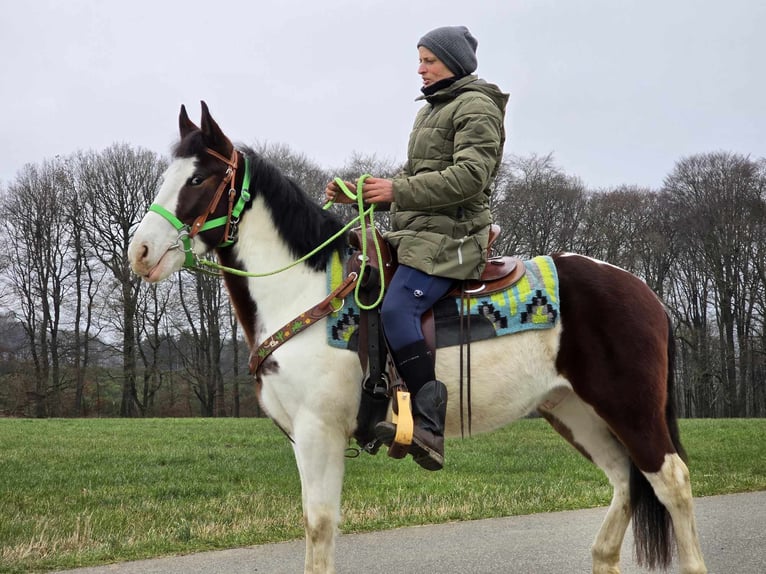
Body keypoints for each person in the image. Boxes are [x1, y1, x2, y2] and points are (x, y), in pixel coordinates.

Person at [326, 25, 508, 470]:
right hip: (419, 233)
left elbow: (471, 178)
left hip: (454, 237)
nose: (420, 69)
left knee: (396, 309)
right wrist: (362, 194)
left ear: (454, 63)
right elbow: (412, 180)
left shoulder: (477, 106)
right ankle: (376, 405)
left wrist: (394, 193)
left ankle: (428, 425)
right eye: (420, 60)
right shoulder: (431, 110)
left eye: (428, 60)